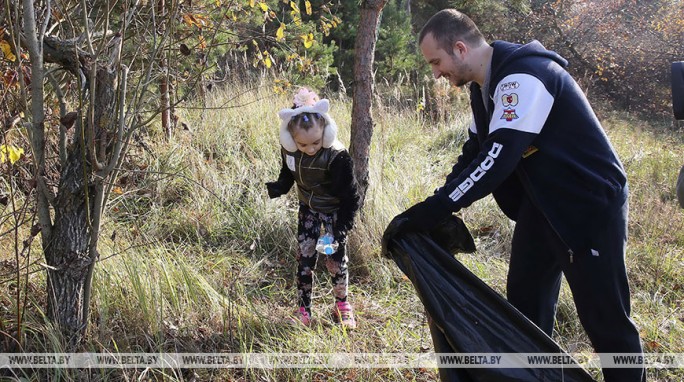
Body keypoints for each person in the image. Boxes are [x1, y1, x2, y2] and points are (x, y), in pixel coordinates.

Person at [385, 9, 645, 381]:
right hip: (542, 208)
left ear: (459, 48)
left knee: (606, 320)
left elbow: (499, 157)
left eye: (436, 62)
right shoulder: (484, 88)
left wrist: (438, 207)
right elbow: (475, 152)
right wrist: (432, 206)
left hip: (588, 209)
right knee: (525, 309)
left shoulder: (525, 78)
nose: (436, 73)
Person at [266, 87, 360, 329]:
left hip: (334, 214)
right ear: (291, 139)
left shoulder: (337, 157)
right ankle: (304, 309)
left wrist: (341, 228)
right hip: (308, 210)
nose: (309, 149)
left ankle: (342, 305)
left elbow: (351, 197)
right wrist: (280, 186)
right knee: (305, 259)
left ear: (326, 133)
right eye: (302, 144)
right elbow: (289, 170)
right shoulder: (290, 149)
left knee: (335, 260)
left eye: (316, 143)